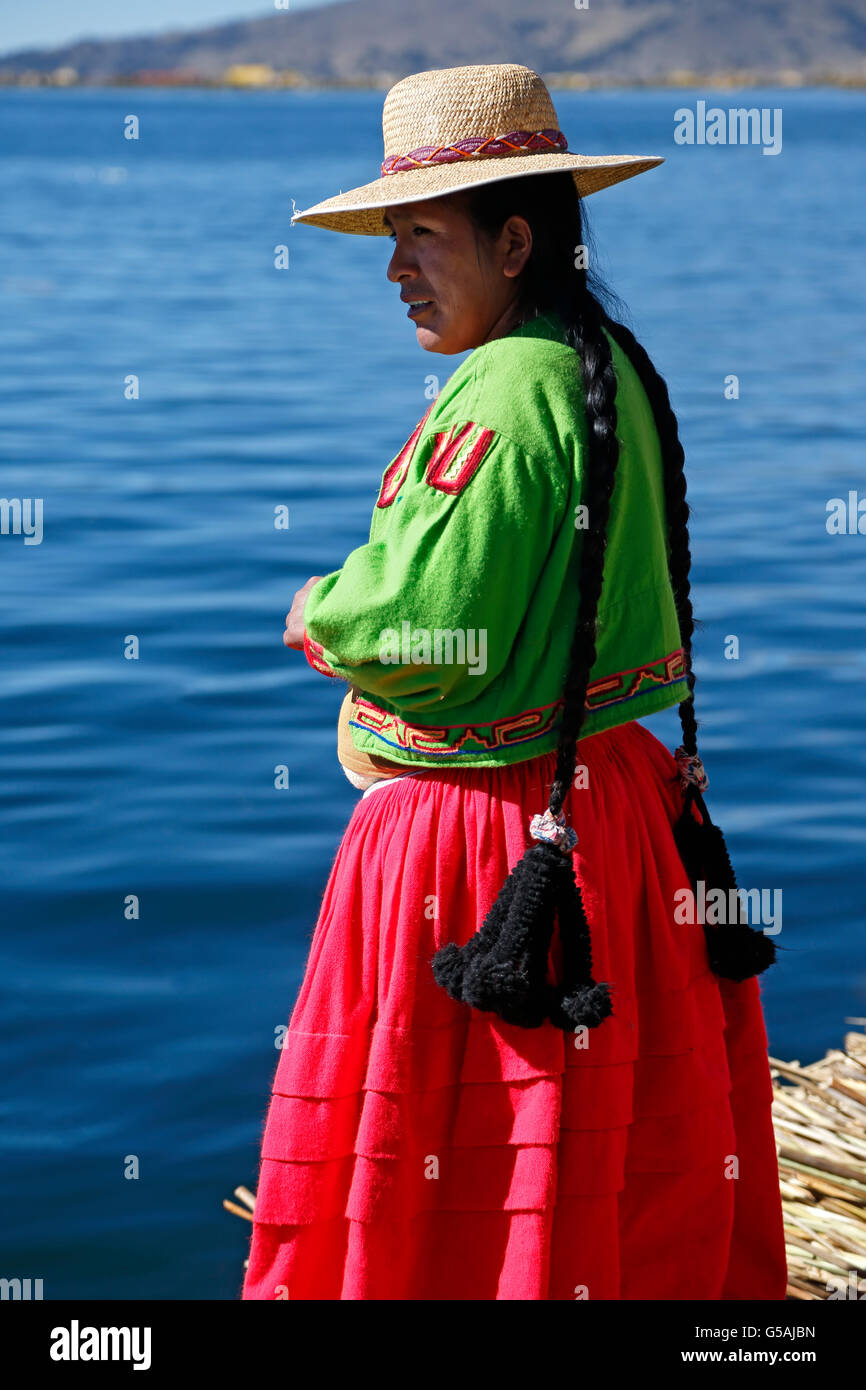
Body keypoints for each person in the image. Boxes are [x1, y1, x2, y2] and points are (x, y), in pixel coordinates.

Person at [241, 63, 787, 1301]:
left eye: (419, 237)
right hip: (620, 817)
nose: (395, 271)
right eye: (391, 240)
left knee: (454, 1172)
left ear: (516, 236)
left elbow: (436, 625)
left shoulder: (499, 387)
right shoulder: (604, 361)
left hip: (488, 847)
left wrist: (317, 614)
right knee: (610, 1155)